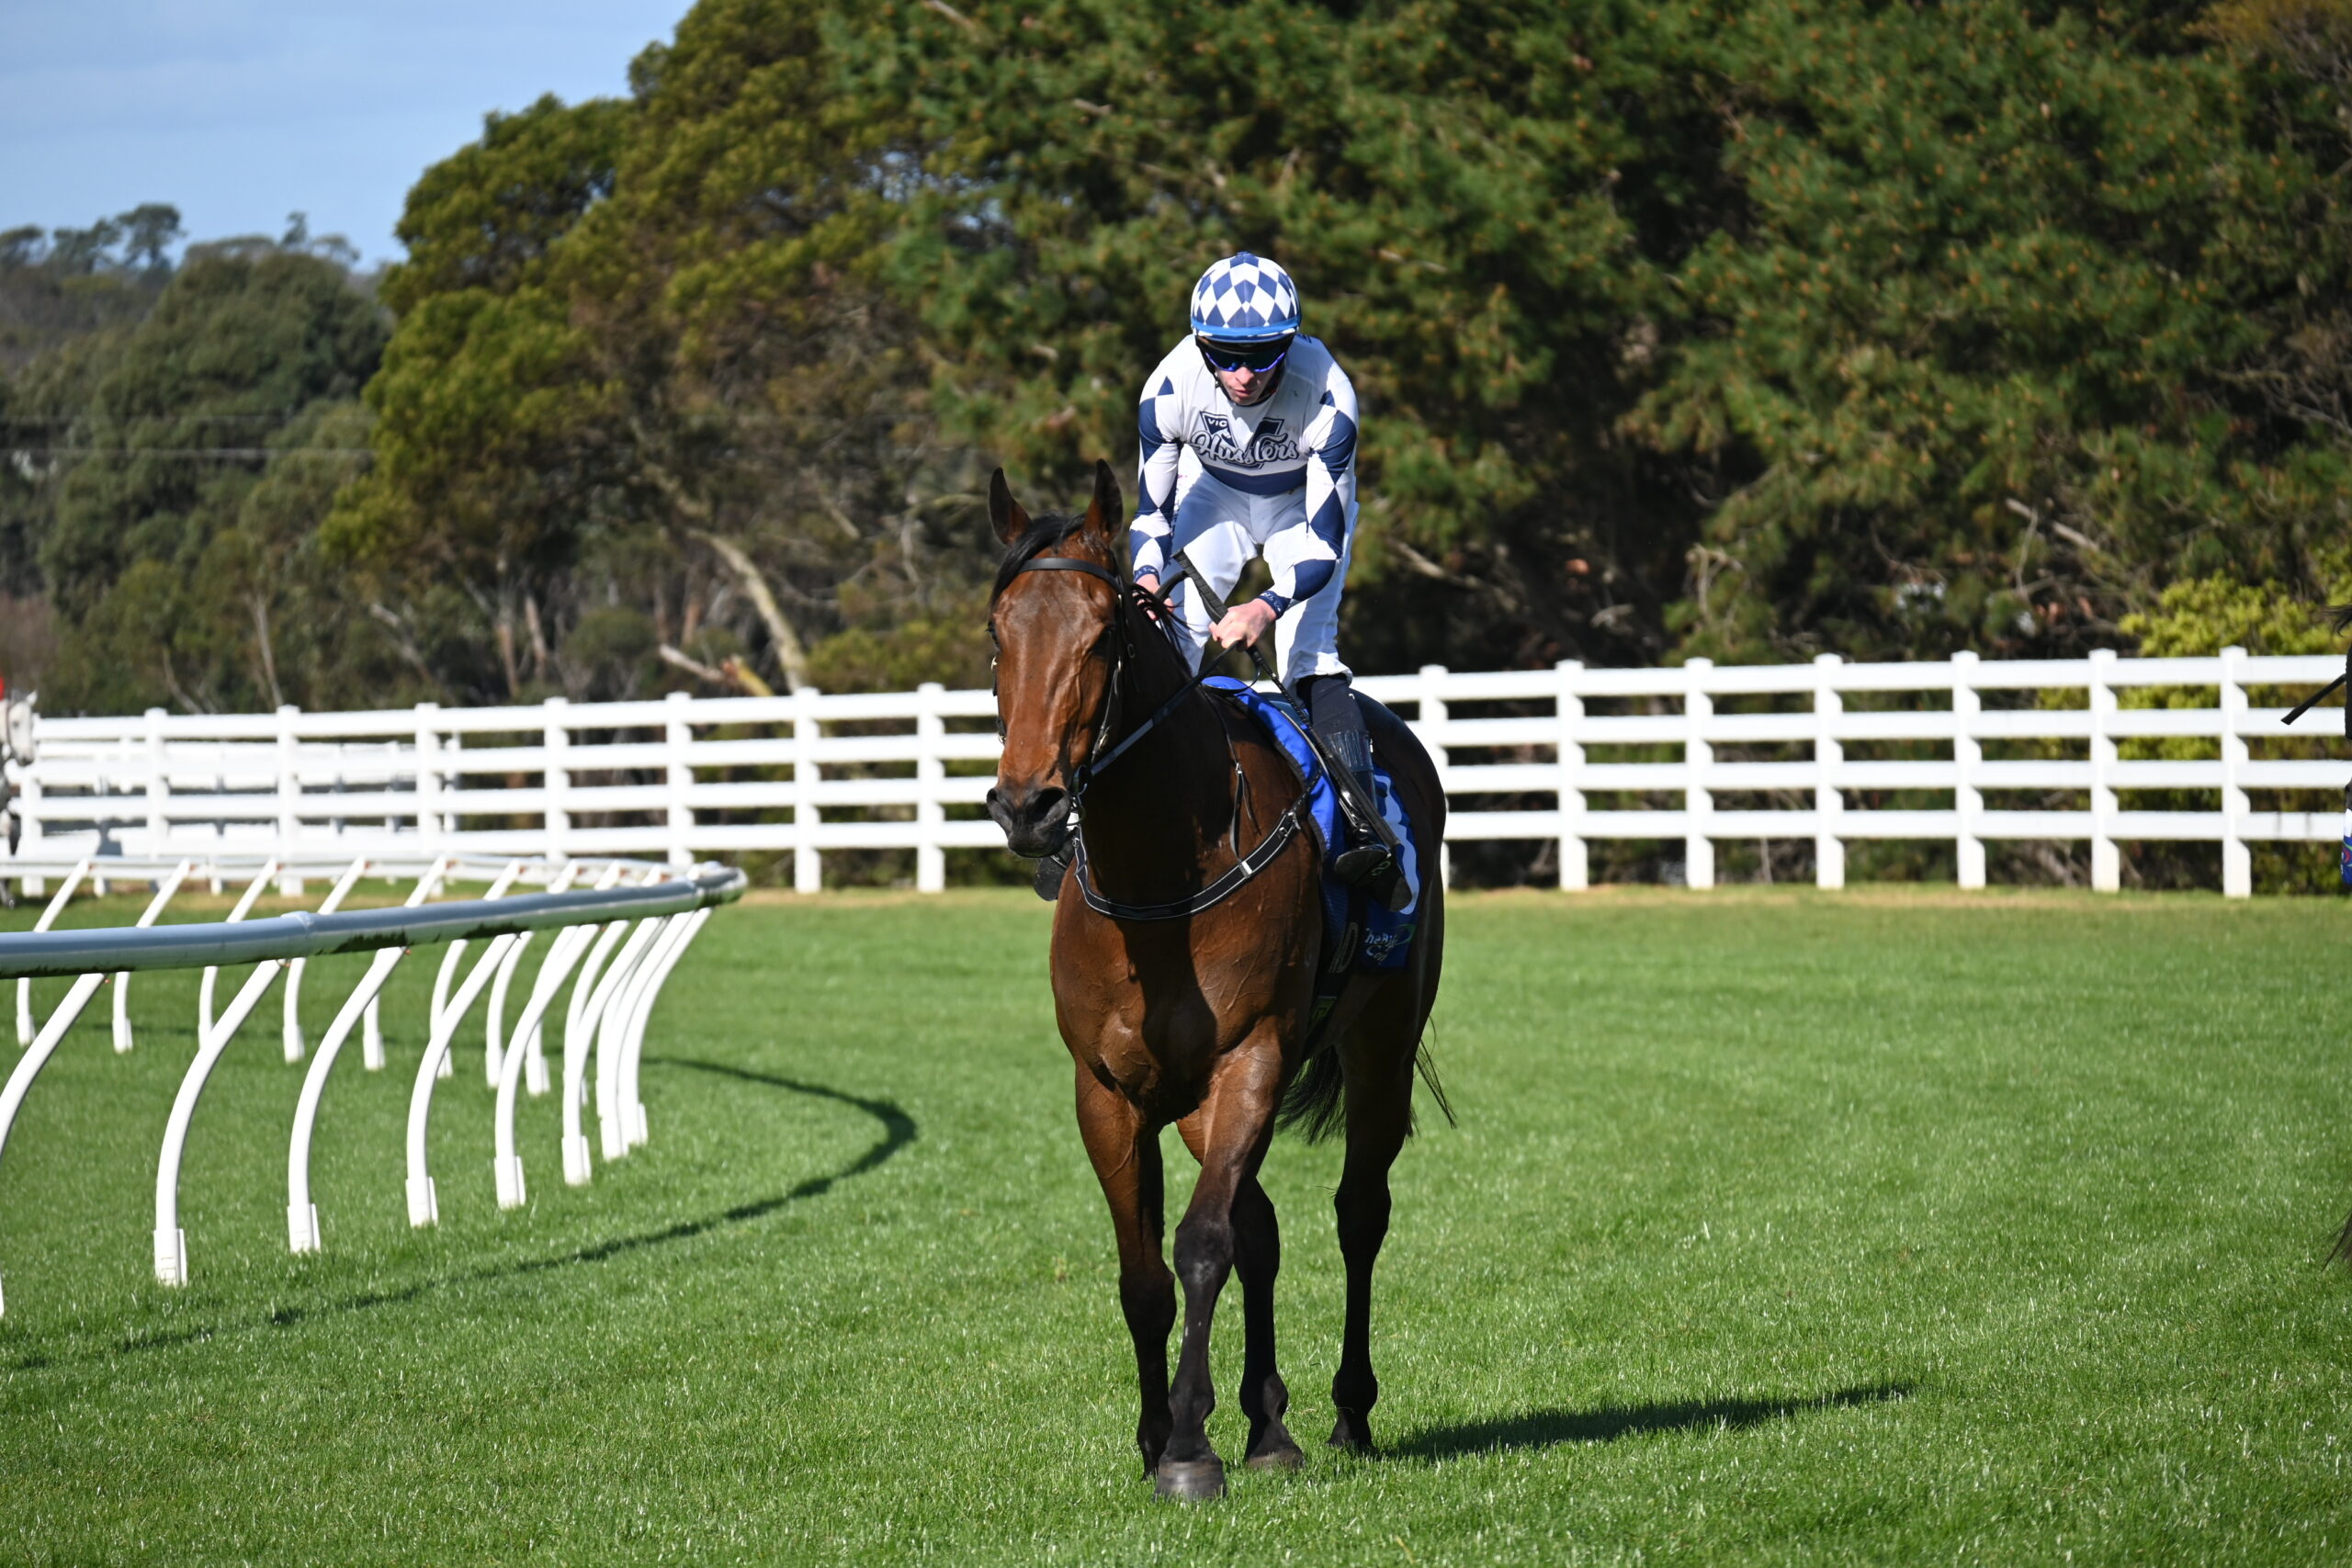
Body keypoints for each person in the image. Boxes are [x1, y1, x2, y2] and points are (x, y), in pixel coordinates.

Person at [1129, 253, 1394, 889]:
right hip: (1214, 494)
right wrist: (1143, 577)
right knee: (1170, 639)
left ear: (1292, 340)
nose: (1242, 375)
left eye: (1263, 354)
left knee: (1306, 654)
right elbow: (1150, 515)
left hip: (1299, 508)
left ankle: (1367, 830)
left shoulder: (1330, 394)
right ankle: (1107, 818)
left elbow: (1326, 547)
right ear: (1199, 344)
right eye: (1222, 355)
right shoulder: (1167, 389)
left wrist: (1265, 606)